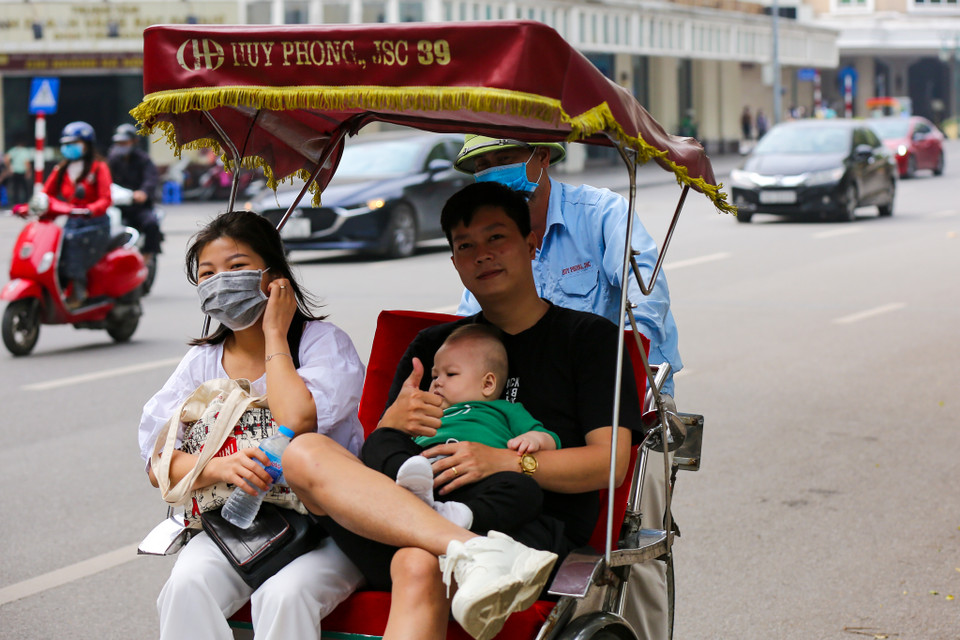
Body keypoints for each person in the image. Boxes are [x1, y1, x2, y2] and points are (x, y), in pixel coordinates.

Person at [282, 182, 642, 640]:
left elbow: (610, 463)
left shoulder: (587, 340)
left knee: (416, 563)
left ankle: (476, 551)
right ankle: (471, 552)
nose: (482, 255)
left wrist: (506, 461)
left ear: (532, 243)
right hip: (417, 512)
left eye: (496, 238)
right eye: (465, 246)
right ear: (454, 263)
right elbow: (385, 457)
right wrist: (393, 425)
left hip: (522, 527)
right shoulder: (435, 348)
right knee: (303, 451)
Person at [452, 136, 680, 639]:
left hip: (616, 402)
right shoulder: (479, 246)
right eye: (483, 165)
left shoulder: (600, 214)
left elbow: (647, 302)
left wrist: (615, 380)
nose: (494, 172)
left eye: (505, 159)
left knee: (630, 550)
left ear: (541, 157)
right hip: (524, 415)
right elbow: (471, 332)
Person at [137, 210, 365, 640]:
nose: (221, 280)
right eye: (208, 273)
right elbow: (157, 462)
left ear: (274, 276)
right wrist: (219, 469)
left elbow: (296, 419)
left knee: (282, 596)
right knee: (184, 588)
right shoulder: (200, 363)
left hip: (328, 525)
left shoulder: (322, 344)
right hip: (240, 525)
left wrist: (276, 334)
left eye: (237, 267)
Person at [362, 323, 560, 533]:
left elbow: (549, 439)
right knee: (381, 439)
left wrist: (533, 439)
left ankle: (465, 516)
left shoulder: (504, 409)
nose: (437, 382)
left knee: (526, 491)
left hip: (476, 482)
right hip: (422, 472)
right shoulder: (427, 410)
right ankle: (414, 490)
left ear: (488, 384)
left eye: (451, 374)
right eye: (435, 375)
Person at [33, 122, 113, 307]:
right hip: (71, 222)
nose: (69, 148)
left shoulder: (99, 168)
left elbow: (105, 199)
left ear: (87, 144)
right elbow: (46, 194)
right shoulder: (60, 169)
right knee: (51, 246)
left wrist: (91, 209)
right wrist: (32, 206)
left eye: (75, 143)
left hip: (95, 224)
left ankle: (78, 289)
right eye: (66, 144)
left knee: (70, 243)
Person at [107, 123, 163, 264]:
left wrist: (143, 192)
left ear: (134, 142)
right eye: (119, 142)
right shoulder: (112, 159)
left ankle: (147, 255)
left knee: (151, 223)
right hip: (117, 206)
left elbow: (151, 179)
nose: (121, 145)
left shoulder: (144, 160)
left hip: (138, 207)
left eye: (125, 142)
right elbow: (105, 179)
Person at [4, 135, 33, 206]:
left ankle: (15, 203)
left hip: (15, 171)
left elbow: (6, 158)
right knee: (24, 188)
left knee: (16, 188)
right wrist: (28, 172)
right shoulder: (25, 151)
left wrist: (9, 167)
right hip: (22, 172)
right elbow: (27, 162)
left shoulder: (14, 150)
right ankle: (25, 203)